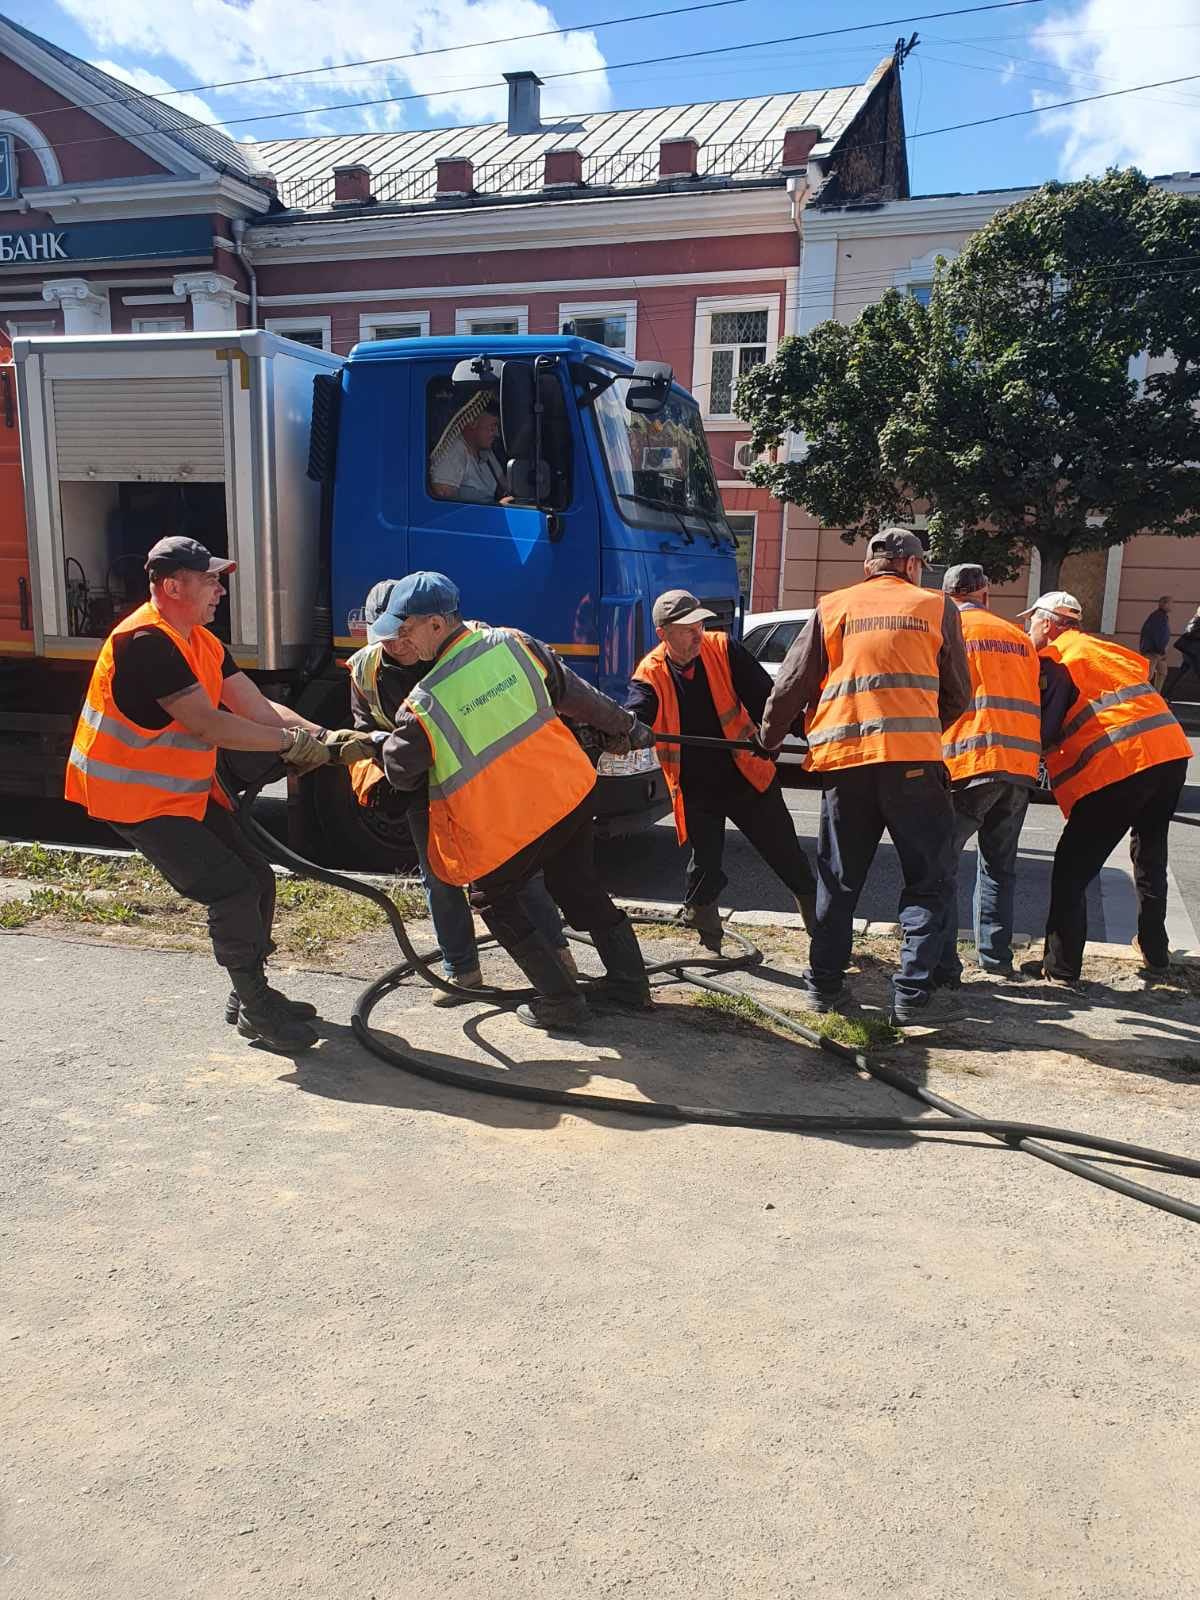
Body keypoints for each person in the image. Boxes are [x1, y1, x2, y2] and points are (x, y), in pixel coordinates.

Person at [63, 537, 358, 1052]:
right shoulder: (145, 643)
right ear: (172, 586)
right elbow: (207, 723)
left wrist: (324, 737)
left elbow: (256, 708)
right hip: (133, 800)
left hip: (178, 794)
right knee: (232, 889)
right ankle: (257, 1010)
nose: (219, 590)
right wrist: (289, 745)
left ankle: (249, 994)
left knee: (258, 877)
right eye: (209, 580)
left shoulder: (199, 640)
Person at [372, 571, 657, 1034]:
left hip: (516, 818)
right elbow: (576, 694)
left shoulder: (425, 701)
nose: (403, 641)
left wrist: (379, 744)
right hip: (569, 794)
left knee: (492, 896)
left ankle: (561, 1001)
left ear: (437, 624)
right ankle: (630, 982)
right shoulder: (514, 643)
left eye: (407, 629)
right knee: (576, 884)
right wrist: (627, 726)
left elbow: (400, 771)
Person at [758, 527, 972, 1025]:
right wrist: (920, 729)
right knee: (927, 880)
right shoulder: (937, 607)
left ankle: (824, 986)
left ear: (868, 567)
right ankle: (912, 995)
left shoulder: (833, 607)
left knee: (838, 880)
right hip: (913, 766)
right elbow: (959, 694)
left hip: (846, 765)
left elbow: (791, 683)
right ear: (913, 566)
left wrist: (769, 740)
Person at [345, 578, 579, 1002]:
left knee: (518, 871)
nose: (397, 644)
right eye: (387, 637)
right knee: (439, 877)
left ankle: (558, 960)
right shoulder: (365, 670)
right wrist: (381, 765)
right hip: (423, 789)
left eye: (402, 633)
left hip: (479, 781)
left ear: (420, 625)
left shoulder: (458, 648)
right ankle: (461, 970)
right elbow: (365, 729)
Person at [625, 590, 817, 952]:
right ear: (663, 633)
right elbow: (638, 711)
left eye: (700, 625)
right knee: (706, 866)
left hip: (746, 775)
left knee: (787, 855)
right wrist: (625, 730)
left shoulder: (723, 649)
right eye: (687, 629)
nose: (697, 634)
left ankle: (823, 937)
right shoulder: (650, 673)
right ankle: (707, 933)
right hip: (697, 787)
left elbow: (767, 699)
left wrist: (802, 732)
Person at [1018, 590, 1193, 986]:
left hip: (1121, 763)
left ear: (1047, 623)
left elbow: (1046, 730)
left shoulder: (1056, 659)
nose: (1028, 630)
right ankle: (1155, 951)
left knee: (1071, 869)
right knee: (1150, 852)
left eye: (1031, 622)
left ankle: (1061, 968)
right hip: (1169, 752)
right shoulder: (1103, 649)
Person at [934, 563, 1042, 985]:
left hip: (968, 762)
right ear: (986, 595)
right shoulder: (1018, 637)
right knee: (999, 866)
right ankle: (996, 959)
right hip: (1018, 766)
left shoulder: (947, 630)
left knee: (940, 865)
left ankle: (944, 964)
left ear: (947, 596)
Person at [429, 392, 511, 504]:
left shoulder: (487, 453)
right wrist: (499, 506)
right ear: (473, 423)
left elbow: (505, 486)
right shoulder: (452, 453)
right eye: (492, 427)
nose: (496, 433)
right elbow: (444, 505)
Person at [1138, 595, 1173, 693]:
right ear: (1163, 604)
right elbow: (1156, 635)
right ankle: (1139, 694)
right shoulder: (1158, 617)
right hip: (1153, 650)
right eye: (1170, 603)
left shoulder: (1162, 616)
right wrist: (1160, 650)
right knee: (1149, 674)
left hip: (1158, 650)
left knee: (1162, 671)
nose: (1172, 606)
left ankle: (1156, 694)